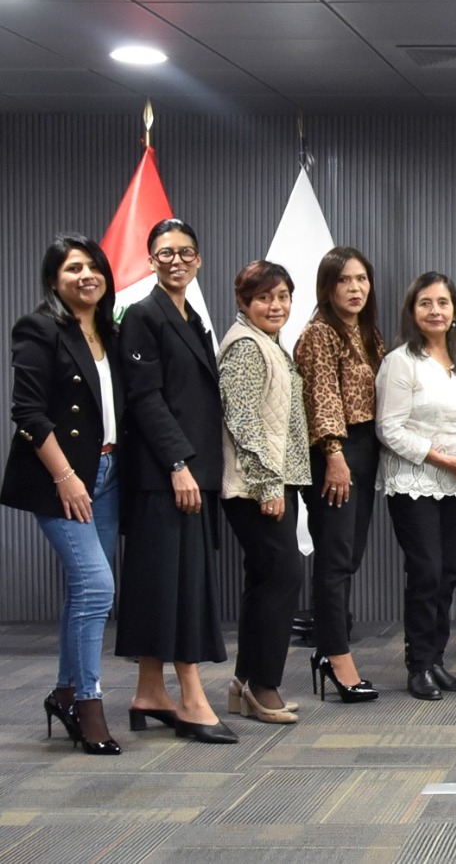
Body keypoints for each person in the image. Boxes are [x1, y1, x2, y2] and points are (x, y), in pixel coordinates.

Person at [115, 219, 236, 744]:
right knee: (178, 589)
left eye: (186, 252)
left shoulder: (193, 319)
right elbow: (146, 399)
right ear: (150, 260)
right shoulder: (143, 316)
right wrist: (178, 464)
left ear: (199, 260)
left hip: (195, 475)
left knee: (167, 585)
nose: (176, 260)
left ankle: (149, 692)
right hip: (168, 477)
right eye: (165, 253)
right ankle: (190, 697)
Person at [3, 234, 124, 754]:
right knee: (98, 589)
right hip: (65, 478)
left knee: (82, 591)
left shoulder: (111, 331)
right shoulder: (40, 328)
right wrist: (64, 477)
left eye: (94, 266)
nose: (86, 275)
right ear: (54, 279)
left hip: (111, 472)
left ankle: (64, 692)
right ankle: (88, 702)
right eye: (73, 268)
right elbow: (27, 412)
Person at [376, 272, 456, 701]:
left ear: (455, 311)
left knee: (449, 573)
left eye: (443, 303)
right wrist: (441, 458)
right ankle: (418, 665)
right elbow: (389, 429)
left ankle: (437, 659)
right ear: (413, 311)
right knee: (425, 571)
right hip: (414, 480)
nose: (435, 310)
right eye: (425, 303)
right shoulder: (401, 361)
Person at [218, 261, 312, 725]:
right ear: (244, 302)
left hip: (271, 482)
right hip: (257, 487)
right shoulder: (246, 349)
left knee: (264, 579)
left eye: (283, 297)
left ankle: (244, 681)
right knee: (282, 577)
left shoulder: (268, 344)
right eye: (264, 298)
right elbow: (243, 421)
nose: (276, 306)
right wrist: (267, 484)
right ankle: (263, 685)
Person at [294, 247, 383, 703]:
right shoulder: (319, 334)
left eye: (361, 279)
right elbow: (321, 399)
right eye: (344, 280)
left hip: (366, 450)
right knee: (334, 559)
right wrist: (334, 454)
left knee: (348, 557)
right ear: (327, 287)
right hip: (335, 453)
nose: (355, 288)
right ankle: (334, 655)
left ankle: (333, 648)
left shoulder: (368, 334)